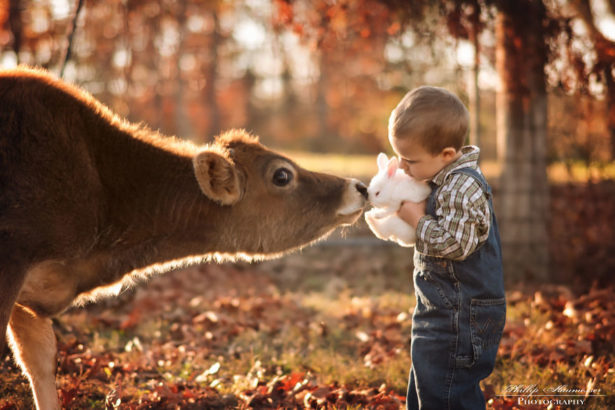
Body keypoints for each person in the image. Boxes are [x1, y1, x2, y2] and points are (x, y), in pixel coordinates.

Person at [390, 86, 506, 409]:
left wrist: (418, 220)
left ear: (446, 154)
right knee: (428, 382)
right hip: (442, 309)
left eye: (409, 159)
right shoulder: (444, 180)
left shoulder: (462, 187)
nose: (402, 167)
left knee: (448, 391)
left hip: (462, 315)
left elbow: (456, 244)